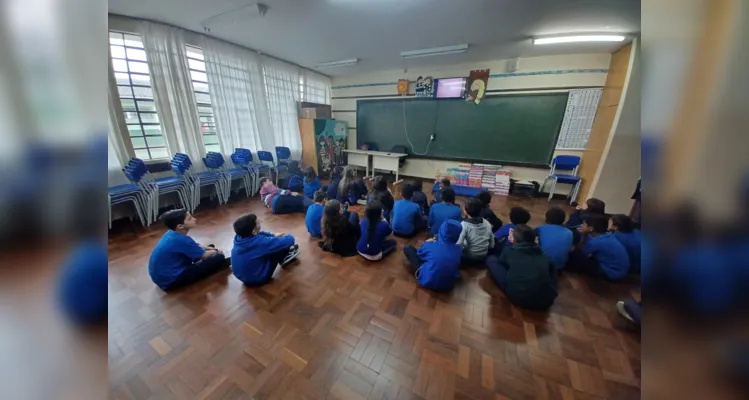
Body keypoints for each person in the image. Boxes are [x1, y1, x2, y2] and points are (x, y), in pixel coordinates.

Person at [148, 209, 228, 291]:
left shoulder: (171, 233)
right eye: (189, 219)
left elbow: (193, 246)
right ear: (180, 226)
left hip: (162, 277)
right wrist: (217, 251)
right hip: (171, 281)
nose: (194, 219)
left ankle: (203, 262)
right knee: (219, 257)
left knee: (210, 248)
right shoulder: (182, 240)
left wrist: (210, 248)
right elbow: (203, 254)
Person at [485, 224, 558, 310]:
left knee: (491, 259)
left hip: (519, 297)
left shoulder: (509, 250)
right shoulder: (542, 254)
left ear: (514, 240)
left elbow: (502, 264)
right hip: (546, 301)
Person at [231, 213, 300, 286]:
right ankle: (285, 256)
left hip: (242, 277)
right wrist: (286, 236)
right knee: (276, 248)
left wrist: (273, 235)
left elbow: (259, 233)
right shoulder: (259, 242)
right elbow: (290, 240)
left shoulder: (239, 238)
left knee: (266, 247)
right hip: (258, 278)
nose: (260, 222)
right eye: (258, 222)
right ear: (253, 231)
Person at [403, 220, 463, 291]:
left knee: (407, 248)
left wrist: (426, 243)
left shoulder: (430, 245)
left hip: (427, 280)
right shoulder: (459, 249)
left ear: (441, 230)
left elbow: (420, 254)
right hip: (447, 285)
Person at [567, 213, 630, 280]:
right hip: (620, 271)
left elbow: (581, 251)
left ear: (591, 228)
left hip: (612, 273)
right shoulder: (607, 235)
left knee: (575, 254)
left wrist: (584, 234)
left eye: (584, 224)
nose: (582, 225)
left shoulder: (596, 242)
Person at [458, 198, 495, 265]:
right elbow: (492, 242)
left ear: (465, 211)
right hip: (484, 256)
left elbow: (459, 244)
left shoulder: (464, 225)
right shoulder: (487, 223)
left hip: (469, 257)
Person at [535, 206, 574, 270]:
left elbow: (529, 236)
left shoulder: (541, 228)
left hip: (542, 265)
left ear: (547, 219)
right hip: (561, 265)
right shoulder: (569, 232)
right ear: (563, 220)